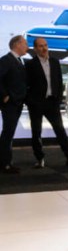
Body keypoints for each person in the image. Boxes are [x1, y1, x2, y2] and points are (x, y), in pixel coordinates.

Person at [25, 37, 68, 169]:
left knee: (60, 130)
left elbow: (59, 81)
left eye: (45, 45)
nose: (44, 48)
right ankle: (40, 159)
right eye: (40, 46)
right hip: (36, 103)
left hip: (52, 102)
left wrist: (58, 99)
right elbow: (26, 84)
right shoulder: (30, 65)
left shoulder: (55, 62)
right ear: (35, 49)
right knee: (36, 132)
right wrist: (29, 101)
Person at [0, 35, 29, 174]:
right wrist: (5, 96)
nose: (27, 47)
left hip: (17, 102)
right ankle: (5, 163)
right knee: (7, 133)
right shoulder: (6, 60)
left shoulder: (19, 60)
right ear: (17, 44)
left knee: (9, 133)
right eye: (25, 43)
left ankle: (6, 161)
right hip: (10, 103)